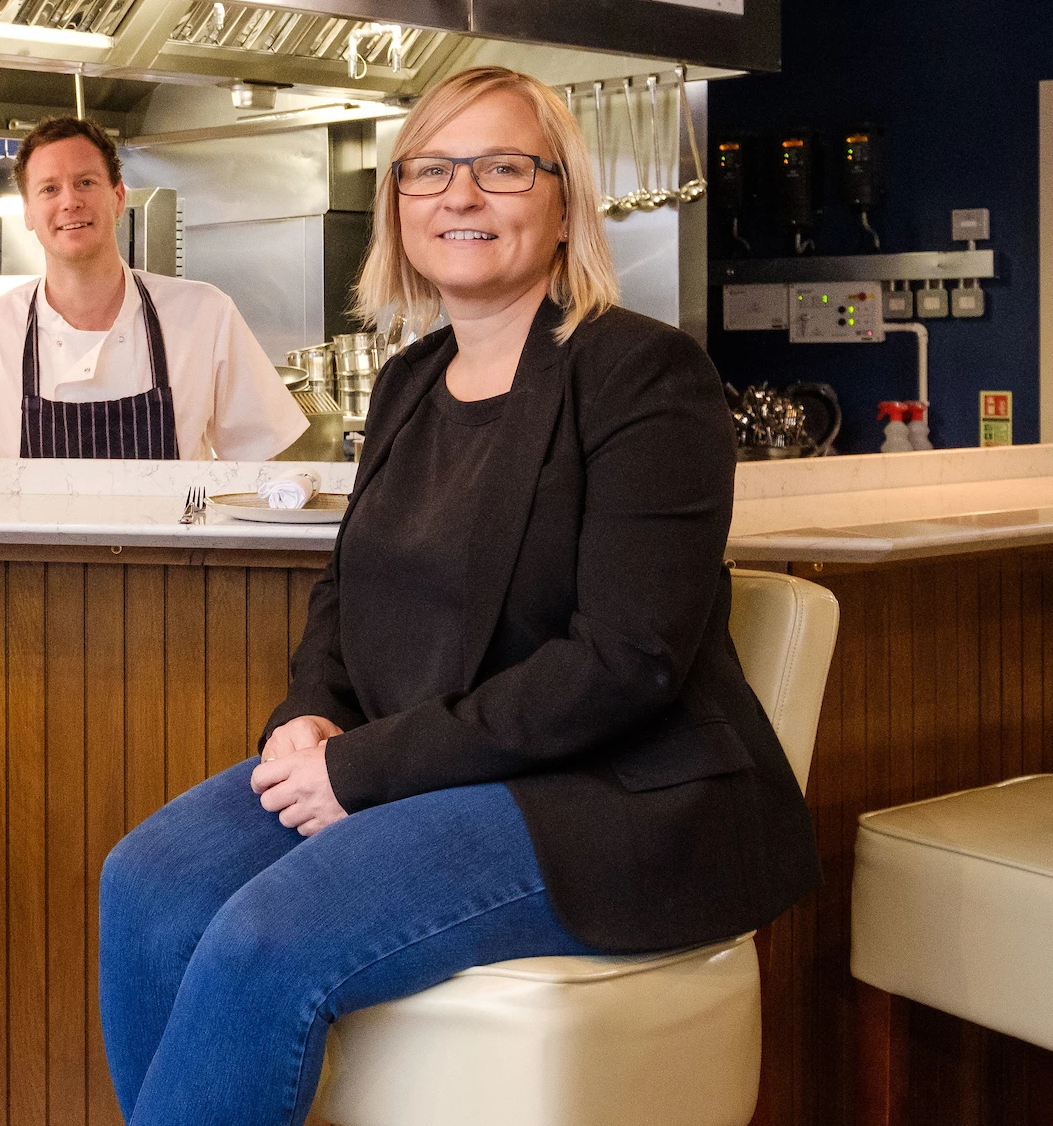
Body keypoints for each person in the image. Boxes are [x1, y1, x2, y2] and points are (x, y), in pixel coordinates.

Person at [96, 66, 820, 1126]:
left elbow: (627, 659)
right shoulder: (409, 380)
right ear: (398, 205)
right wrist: (308, 714)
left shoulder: (645, 374)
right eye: (429, 169)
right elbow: (345, 593)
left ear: (565, 201)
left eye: (503, 167)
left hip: (610, 793)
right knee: (147, 882)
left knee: (265, 940)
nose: (460, 195)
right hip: (425, 769)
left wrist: (367, 765)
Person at [0, 116, 305, 460]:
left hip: (175, 539)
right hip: (40, 542)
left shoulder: (206, 314)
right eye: (49, 189)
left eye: (85, 183)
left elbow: (263, 467)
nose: (70, 201)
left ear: (118, 197)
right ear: (28, 212)